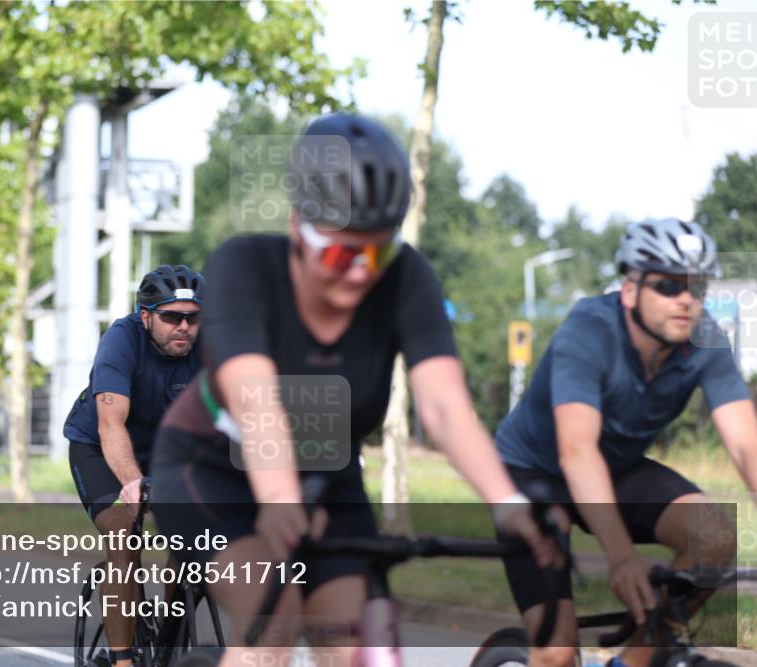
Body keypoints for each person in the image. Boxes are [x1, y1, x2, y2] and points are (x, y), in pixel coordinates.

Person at [149, 113, 560, 667]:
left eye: (378, 253)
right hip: (212, 472)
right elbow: (257, 396)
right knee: (274, 623)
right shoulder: (243, 265)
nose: (361, 273)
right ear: (298, 225)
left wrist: (508, 504)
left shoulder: (405, 278)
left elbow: (444, 407)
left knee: (359, 647)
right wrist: (277, 498)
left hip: (326, 477)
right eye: (343, 253)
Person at [494, 219, 757, 667]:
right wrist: (620, 556)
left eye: (698, 287)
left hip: (615, 469)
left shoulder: (706, 340)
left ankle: (630, 662)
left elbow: (746, 445)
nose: (686, 300)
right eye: (670, 286)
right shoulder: (589, 331)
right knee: (557, 654)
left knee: (713, 536)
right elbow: (576, 451)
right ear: (631, 289)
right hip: (532, 475)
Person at [64, 264, 204, 667]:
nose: (183, 327)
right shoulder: (120, 342)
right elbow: (110, 424)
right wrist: (133, 482)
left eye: (192, 318)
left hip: (168, 451)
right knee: (124, 536)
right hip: (101, 449)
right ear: (146, 317)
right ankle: (123, 660)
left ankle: (169, 643)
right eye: (171, 317)